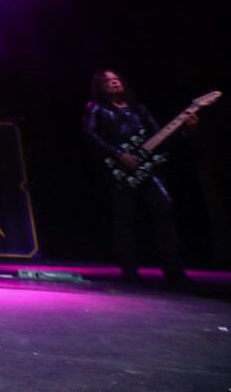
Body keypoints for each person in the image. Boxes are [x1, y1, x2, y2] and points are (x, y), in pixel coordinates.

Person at [82, 69, 197, 284]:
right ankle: (129, 270)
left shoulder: (139, 109)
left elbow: (161, 136)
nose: (114, 82)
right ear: (100, 86)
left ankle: (173, 270)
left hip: (149, 166)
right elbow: (89, 134)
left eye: (116, 78)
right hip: (119, 168)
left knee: (164, 212)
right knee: (125, 218)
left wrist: (186, 130)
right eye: (107, 80)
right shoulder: (97, 108)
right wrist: (118, 154)